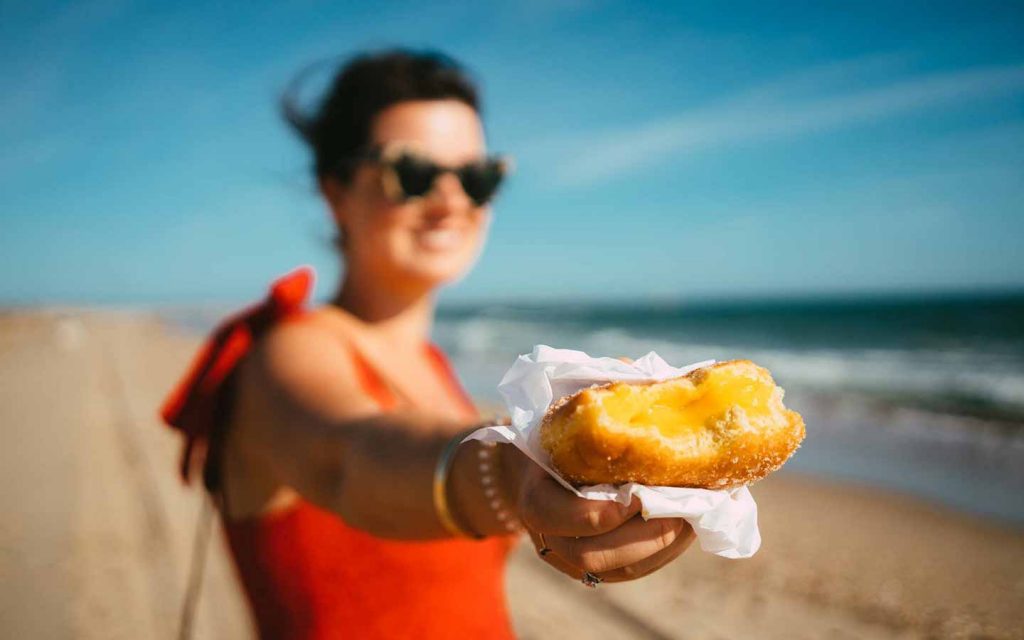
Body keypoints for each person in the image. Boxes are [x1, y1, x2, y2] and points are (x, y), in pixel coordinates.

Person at [162, 49, 695, 639]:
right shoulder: (286, 355)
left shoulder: (433, 364)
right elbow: (351, 458)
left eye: (477, 177)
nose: (451, 201)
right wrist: (512, 471)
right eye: (413, 173)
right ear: (336, 191)